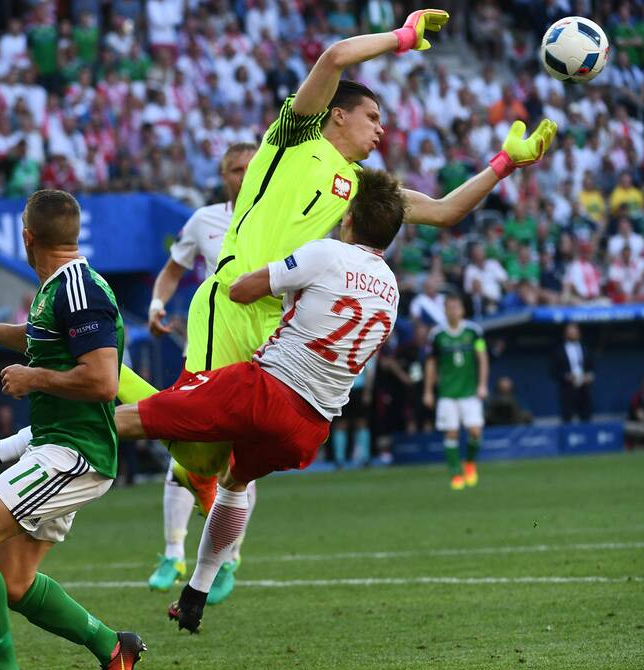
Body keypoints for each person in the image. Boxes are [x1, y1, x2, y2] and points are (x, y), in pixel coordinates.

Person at [113, 7, 553, 553]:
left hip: (280, 325)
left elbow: (442, 211)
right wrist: (402, 36)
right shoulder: (295, 138)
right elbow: (335, 57)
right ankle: (99, 377)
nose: (382, 129)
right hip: (233, 299)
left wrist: (504, 165)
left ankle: (204, 553)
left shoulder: (363, 187)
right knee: (194, 447)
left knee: (219, 454)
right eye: (372, 117)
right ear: (338, 116)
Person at [110, 167, 405, 633]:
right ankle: (197, 592)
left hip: (265, 390)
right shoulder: (391, 289)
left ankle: (3, 449)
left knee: (137, 417)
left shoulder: (326, 252)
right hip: (311, 428)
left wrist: (261, 265)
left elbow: (242, 290)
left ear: (347, 218)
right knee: (234, 482)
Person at [0, 190, 144, 670]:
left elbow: (101, 380)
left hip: (74, 454)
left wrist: (34, 378)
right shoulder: (61, 287)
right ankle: (113, 647)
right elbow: (39, 337)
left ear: (26, 237)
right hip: (56, 448)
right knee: (14, 583)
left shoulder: (77, 291)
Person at [145, 141, 257, 600]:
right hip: (206, 353)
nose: (243, 175)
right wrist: (156, 303)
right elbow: (173, 269)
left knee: (241, 465)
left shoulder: (282, 220)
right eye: (235, 169)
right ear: (223, 175)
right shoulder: (204, 221)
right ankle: (174, 552)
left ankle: (228, 559)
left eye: (251, 168)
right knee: (182, 455)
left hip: (256, 356)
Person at [422, 295, 488, 490]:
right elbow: (431, 363)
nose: (453, 311)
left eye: (456, 307)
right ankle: (454, 473)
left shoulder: (474, 332)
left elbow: (482, 358)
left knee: (475, 431)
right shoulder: (437, 335)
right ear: (445, 311)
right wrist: (428, 391)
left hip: (469, 391)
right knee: (451, 433)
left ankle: (469, 463)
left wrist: (483, 384)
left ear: (462, 310)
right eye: (449, 307)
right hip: (447, 393)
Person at [552, 322, 594, 423]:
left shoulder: (586, 348)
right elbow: (553, 371)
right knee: (567, 419)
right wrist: (567, 376)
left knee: (586, 418)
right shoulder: (558, 351)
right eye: (570, 332)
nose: (573, 334)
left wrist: (590, 375)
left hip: (584, 389)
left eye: (575, 331)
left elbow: (592, 367)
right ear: (565, 334)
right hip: (567, 389)